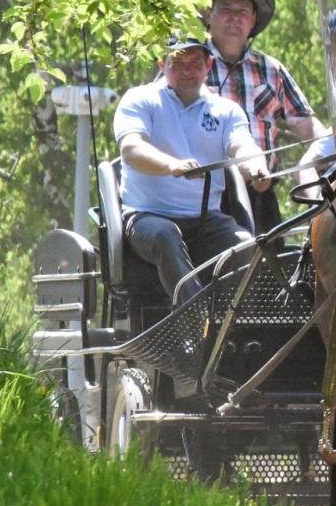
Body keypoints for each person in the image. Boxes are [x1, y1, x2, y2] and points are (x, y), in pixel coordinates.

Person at [115, 35, 268, 305]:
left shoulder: (226, 110)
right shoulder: (140, 99)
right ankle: (196, 321)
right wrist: (171, 165)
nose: (187, 70)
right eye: (178, 63)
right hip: (146, 218)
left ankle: (235, 325)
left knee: (246, 245)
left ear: (207, 66)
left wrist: (256, 168)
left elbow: (242, 146)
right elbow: (132, 149)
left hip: (206, 220)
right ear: (162, 64)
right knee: (166, 235)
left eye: (195, 63)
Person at [202, 0, 329, 231]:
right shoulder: (190, 66)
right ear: (208, 16)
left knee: (273, 268)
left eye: (243, 11)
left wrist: (332, 144)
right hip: (205, 199)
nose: (235, 18)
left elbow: (306, 125)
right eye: (226, 9)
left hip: (262, 193)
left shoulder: (271, 69)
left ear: (253, 22)